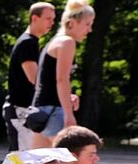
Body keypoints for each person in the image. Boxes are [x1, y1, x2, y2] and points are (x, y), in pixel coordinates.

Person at [30, 0, 94, 149]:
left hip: (41, 110)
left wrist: (68, 95)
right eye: (87, 24)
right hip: (54, 111)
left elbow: (46, 79)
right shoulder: (67, 42)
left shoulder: (54, 42)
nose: (90, 30)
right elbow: (61, 79)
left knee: (38, 161)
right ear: (72, 23)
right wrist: (68, 114)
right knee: (71, 158)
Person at [3, 2, 56, 152]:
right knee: (21, 159)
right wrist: (59, 95)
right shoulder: (27, 43)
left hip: (24, 110)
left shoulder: (31, 42)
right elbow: (35, 78)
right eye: (48, 18)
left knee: (23, 158)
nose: (52, 23)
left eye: (53, 19)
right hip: (19, 110)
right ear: (34, 18)